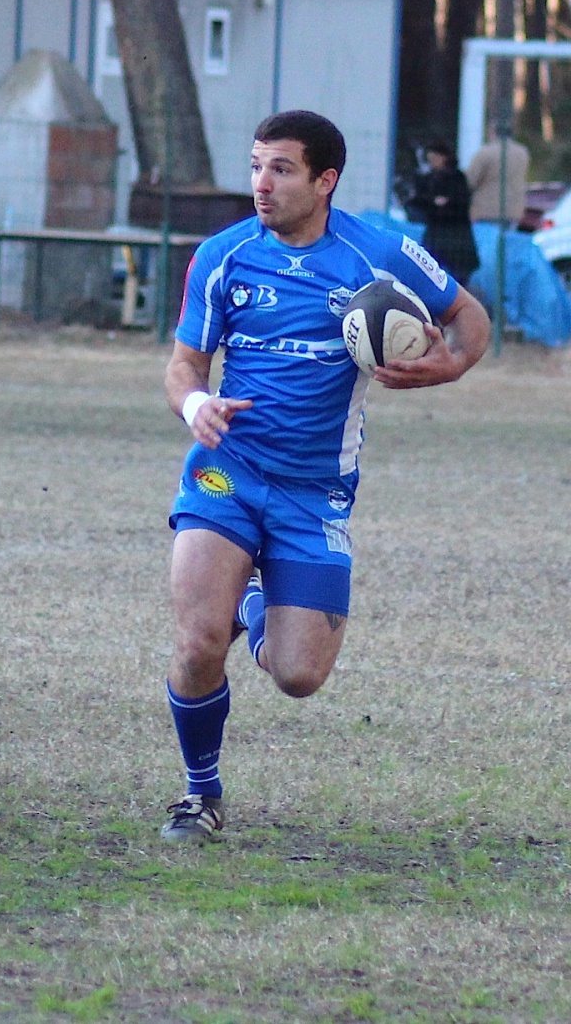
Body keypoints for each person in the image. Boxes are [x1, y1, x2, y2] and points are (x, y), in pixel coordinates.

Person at [160, 110, 490, 844]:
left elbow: (470, 317)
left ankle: (253, 601)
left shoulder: (379, 254)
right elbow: (184, 364)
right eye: (256, 166)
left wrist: (449, 365)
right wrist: (196, 405)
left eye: (281, 169)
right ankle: (199, 795)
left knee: (299, 675)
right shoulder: (222, 256)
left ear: (325, 180)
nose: (261, 184)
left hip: (315, 494)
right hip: (226, 473)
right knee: (197, 640)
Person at [404, 141, 478, 286]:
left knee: (457, 275)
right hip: (437, 233)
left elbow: (462, 202)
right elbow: (417, 201)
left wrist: (446, 203)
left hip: (456, 235)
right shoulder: (429, 179)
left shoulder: (456, 178)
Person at [466, 123, 529, 230]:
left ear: (493, 132)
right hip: (513, 210)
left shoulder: (485, 153)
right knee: (507, 238)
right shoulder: (522, 152)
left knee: (487, 238)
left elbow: (470, 180)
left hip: (486, 210)